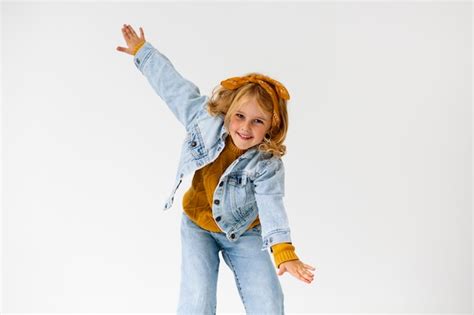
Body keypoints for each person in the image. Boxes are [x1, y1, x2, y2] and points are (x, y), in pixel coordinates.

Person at [117, 24, 316, 314]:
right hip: (197, 225)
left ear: (272, 125)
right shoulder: (203, 119)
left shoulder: (267, 163)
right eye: (239, 116)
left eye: (258, 121)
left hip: (245, 232)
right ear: (228, 109)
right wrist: (143, 53)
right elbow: (174, 88)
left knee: (269, 303)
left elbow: (272, 205)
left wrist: (283, 252)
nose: (245, 128)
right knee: (196, 301)